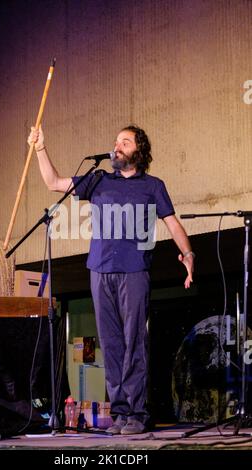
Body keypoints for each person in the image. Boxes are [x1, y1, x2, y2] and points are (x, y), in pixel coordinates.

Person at [28, 124, 194, 435]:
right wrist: (40, 148)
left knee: (134, 342)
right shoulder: (99, 180)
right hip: (99, 270)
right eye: (116, 141)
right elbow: (53, 183)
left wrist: (188, 254)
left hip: (134, 271)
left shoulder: (153, 186)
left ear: (139, 151)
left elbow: (172, 223)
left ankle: (138, 414)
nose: (117, 146)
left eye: (125, 142)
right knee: (111, 343)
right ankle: (120, 414)